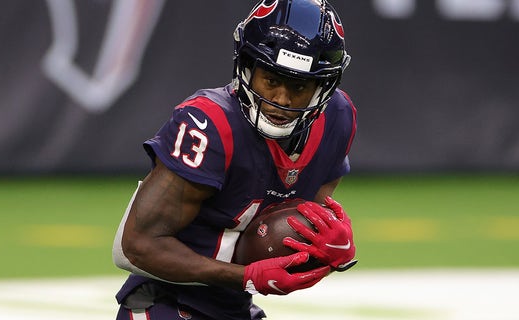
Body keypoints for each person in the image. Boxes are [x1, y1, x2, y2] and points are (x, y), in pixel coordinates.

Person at [112, 0, 358, 319]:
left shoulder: (337, 119)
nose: (281, 100)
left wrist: (328, 252)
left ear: (323, 86)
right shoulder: (209, 125)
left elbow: (286, 237)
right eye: (271, 80)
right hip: (168, 302)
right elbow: (134, 247)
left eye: (298, 86)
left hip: (233, 305)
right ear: (246, 67)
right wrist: (244, 277)